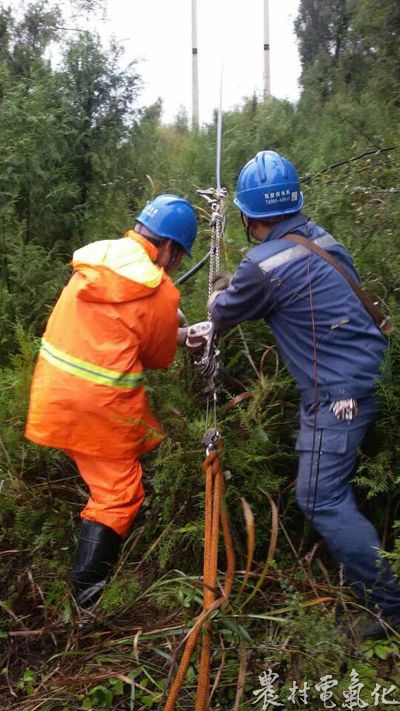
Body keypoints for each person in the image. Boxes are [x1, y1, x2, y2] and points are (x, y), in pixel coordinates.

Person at [208, 150, 400, 638]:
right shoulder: (324, 240)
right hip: (371, 373)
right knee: (332, 486)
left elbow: (223, 312)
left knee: (319, 496)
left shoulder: (260, 265)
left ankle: (389, 606)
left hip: (339, 394)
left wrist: (219, 287)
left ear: (249, 216)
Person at [25, 194, 197, 607]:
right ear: (171, 248)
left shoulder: (97, 260)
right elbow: (156, 357)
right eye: (179, 256)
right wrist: (176, 327)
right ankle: (86, 598)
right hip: (96, 407)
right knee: (119, 493)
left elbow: (110, 330)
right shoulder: (161, 292)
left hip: (52, 392)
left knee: (124, 460)